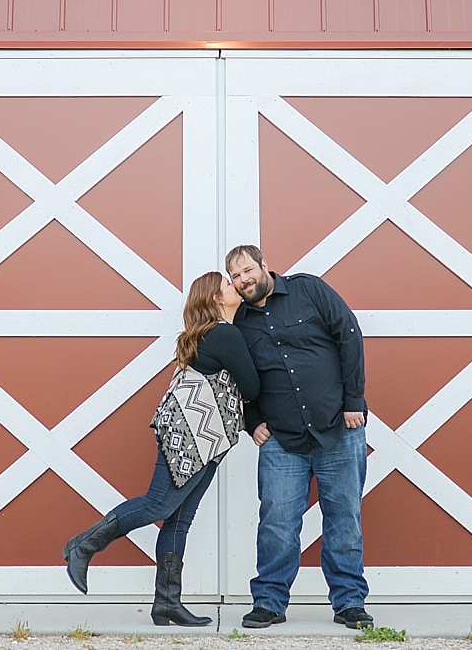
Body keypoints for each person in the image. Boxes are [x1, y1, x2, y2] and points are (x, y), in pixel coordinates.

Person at [62, 272, 259, 626]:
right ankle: (84, 545)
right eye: (229, 284)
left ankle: (167, 603)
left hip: (204, 437)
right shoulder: (225, 334)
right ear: (216, 298)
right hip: (193, 436)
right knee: (158, 504)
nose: (236, 286)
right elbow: (252, 385)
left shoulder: (206, 335)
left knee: (179, 519)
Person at [226, 244, 373, 630]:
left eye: (246, 271)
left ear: (264, 266)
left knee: (344, 518)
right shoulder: (239, 323)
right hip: (281, 439)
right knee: (276, 522)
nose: (243, 280)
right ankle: (269, 602)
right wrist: (250, 420)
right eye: (235, 277)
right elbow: (235, 376)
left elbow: (349, 335)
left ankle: (349, 604)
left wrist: (354, 399)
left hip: (340, 429)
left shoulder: (309, 289)